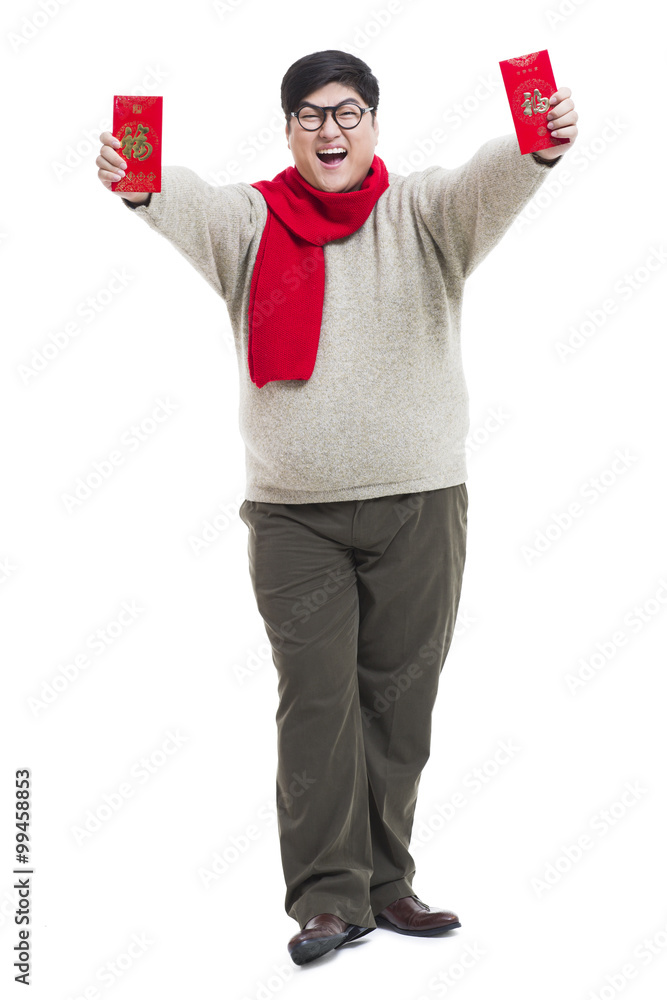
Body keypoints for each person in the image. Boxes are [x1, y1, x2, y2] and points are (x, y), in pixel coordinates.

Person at [97, 49, 578, 967]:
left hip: (420, 504)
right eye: (310, 115)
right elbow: (176, 194)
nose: (329, 130)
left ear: (373, 123)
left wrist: (538, 142)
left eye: (347, 112)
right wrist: (137, 174)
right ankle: (328, 899)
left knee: (400, 704)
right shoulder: (249, 219)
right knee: (318, 705)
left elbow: (496, 174)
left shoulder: (427, 212)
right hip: (294, 518)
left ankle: (387, 885)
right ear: (287, 130)